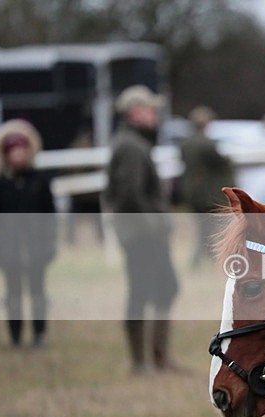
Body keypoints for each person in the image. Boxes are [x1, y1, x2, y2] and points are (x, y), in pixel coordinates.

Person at [103, 85, 180, 374]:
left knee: (165, 290)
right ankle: (141, 362)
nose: (155, 114)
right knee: (141, 293)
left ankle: (159, 359)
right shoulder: (130, 146)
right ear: (135, 111)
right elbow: (129, 197)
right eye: (150, 108)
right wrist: (154, 228)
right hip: (142, 237)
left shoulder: (135, 143)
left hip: (146, 235)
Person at [0, 120, 57, 348]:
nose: (17, 156)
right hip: (10, 248)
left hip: (35, 246)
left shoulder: (39, 181)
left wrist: (49, 244)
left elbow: (50, 216)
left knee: (38, 292)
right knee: (13, 293)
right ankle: (15, 337)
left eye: (21, 150)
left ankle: (39, 334)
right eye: (13, 151)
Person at [180, 105, 233, 266]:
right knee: (208, 229)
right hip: (207, 194)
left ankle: (204, 258)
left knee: (202, 228)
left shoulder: (185, 144)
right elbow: (222, 163)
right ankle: (202, 259)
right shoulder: (206, 144)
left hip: (192, 193)